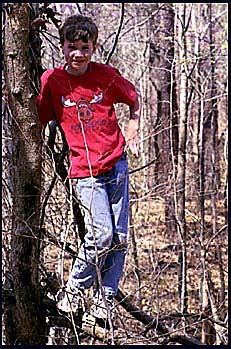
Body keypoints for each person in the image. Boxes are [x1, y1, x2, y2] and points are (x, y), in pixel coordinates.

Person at [37, 15, 141, 321]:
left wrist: (132, 128)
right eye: (72, 46)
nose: (78, 53)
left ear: (94, 47)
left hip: (116, 164)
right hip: (85, 171)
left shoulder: (106, 76)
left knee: (120, 237)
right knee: (101, 234)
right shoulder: (53, 81)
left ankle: (104, 300)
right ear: (62, 46)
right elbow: (39, 116)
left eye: (85, 46)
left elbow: (134, 99)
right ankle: (73, 291)